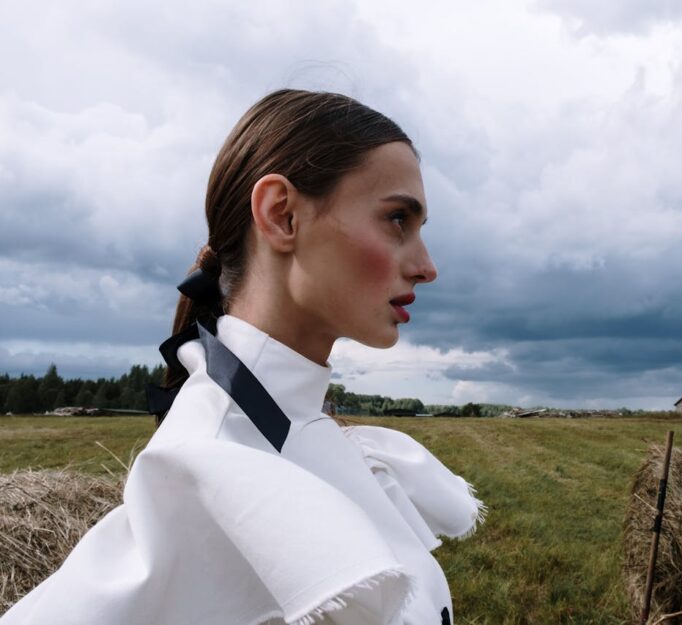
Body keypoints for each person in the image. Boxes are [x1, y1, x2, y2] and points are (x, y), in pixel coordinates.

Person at [0, 89, 486, 625]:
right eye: (398, 219)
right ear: (281, 216)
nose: (426, 266)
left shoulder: (287, 430)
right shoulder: (208, 481)